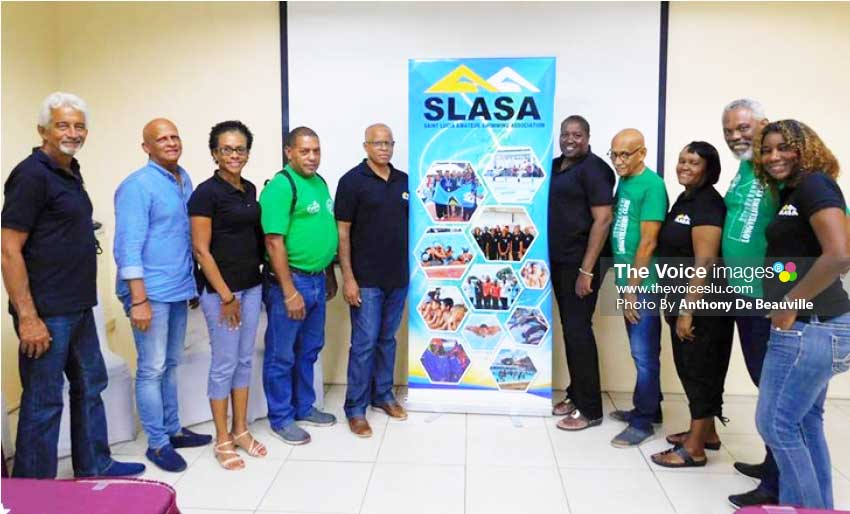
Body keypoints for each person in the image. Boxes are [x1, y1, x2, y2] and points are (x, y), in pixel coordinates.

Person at [1, 92, 145, 479]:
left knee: (91, 384)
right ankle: (32, 490)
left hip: (79, 306)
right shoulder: (30, 175)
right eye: (63, 124)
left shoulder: (69, 169)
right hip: (46, 312)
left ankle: (94, 465)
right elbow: (9, 249)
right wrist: (28, 316)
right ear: (42, 130)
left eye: (79, 125)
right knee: (44, 401)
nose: (73, 132)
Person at [753, 120, 850, 509]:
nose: (774, 156)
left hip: (813, 328)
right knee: (805, 423)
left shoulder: (815, 186)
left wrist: (791, 301)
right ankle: (816, 507)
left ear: (804, 148)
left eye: (783, 148)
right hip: (816, 328)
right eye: (768, 149)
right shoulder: (793, 191)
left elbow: (841, 255)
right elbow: (800, 256)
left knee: (775, 423)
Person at [114, 118, 212, 472]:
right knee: (152, 368)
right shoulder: (137, 187)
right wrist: (138, 300)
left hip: (177, 289)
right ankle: (157, 443)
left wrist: (190, 286)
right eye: (161, 139)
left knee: (171, 365)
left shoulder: (183, 180)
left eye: (174, 136)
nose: (171, 142)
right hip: (149, 294)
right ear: (147, 147)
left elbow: (182, 238)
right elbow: (128, 247)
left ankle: (172, 430)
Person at [188, 120, 267, 470]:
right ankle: (222, 438)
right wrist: (226, 296)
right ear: (214, 153)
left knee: (245, 360)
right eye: (226, 149)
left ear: (247, 152)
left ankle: (240, 429)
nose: (234, 155)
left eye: (240, 149)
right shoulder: (205, 193)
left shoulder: (249, 189)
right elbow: (201, 251)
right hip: (223, 293)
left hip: (252, 286)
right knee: (224, 363)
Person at [651, 142, 734, 468]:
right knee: (692, 367)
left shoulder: (708, 204)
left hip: (703, 306)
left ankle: (694, 450)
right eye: (682, 159)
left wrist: (688, 309)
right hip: (680, 299)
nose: (684, 166)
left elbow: (706, 260)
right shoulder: (686, 199)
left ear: (708, 169)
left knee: (699, 371)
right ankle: (706, 432)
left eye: (693, 162)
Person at [260, 126, 338, 445]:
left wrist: (329, 274)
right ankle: (281, 418)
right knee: (281, 355)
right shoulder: (281, 186)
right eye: (304, 151)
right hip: (291, 283)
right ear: (289, 151)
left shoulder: (319, 182)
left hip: (318, 279)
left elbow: (323, 231)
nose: (312, 157)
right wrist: (289, 290)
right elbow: (274, 241)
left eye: (316, 150)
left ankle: (304, 407)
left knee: (309, 350)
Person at [719, 99, 780, 508]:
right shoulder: (743, 170)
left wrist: (786, 291)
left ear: (765, 124)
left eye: (743, 127)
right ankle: (771, 462)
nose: (736, 136)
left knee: (776, 393)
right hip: (743, 295)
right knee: (764, 384)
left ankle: (777, 483)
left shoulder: (784, 171)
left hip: (769, 302)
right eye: (729, 131)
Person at [335, 123, 409, 438]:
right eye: (377, 143)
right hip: (365, 280)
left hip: (398, 277)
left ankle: (383, 395)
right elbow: (343, 233)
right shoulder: (352, 182)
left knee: (387, 340)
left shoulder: (404, 180)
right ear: (365, 146)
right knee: (364, 344)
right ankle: (355, 407)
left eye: (388, 143)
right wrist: (348, 278)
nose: (384, 148)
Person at [549, 115, 615, 430]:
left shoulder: (596, 170)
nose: (570, 139)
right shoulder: (557, 165)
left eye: (576, 134)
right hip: (560, 261)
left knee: (578, 330)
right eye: (565, 134)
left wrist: (586, 270)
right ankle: (576, 394)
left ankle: (590, 410)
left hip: (581, 263)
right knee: (571, 328)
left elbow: (603, 220)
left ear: (588, 136)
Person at [606, 129, 668, 448]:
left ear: (642, 153)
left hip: (642, 283)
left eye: (624, 154)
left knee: (643, 354)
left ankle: (643, 422)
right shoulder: (626, 181)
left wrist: (632, 288)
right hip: (627, 279)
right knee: (641, 350)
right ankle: (650, 408)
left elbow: (648, 241)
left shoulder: (653, 186)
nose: (618, 161)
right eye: (613, 154)